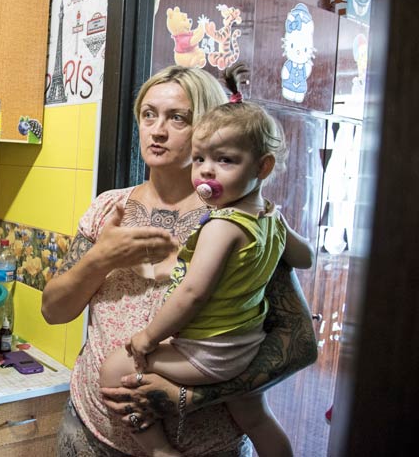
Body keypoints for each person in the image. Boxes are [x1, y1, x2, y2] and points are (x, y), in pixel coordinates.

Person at [41, 64, 318, 456]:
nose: (157, 130)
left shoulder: (238, 222)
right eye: (148, 114)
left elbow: (300, 345)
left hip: (207, 446)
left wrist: (191, 396)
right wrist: (100, 258)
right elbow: (53, 311)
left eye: (178, 118)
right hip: (90, 433)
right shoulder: (108, 208)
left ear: (208, 128)